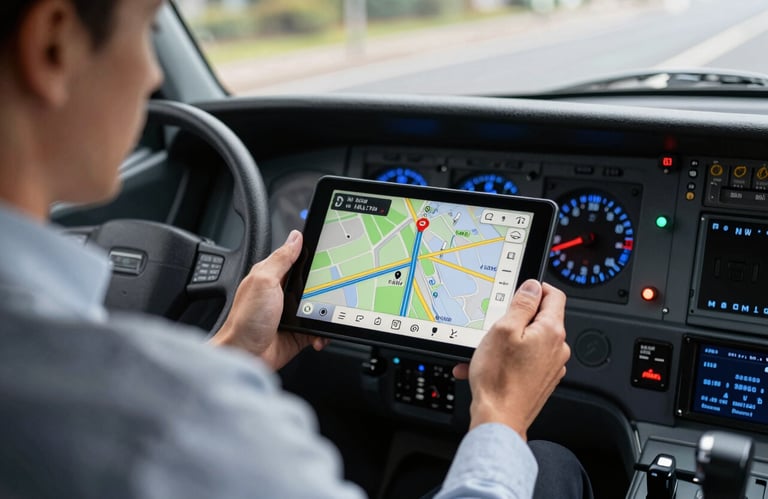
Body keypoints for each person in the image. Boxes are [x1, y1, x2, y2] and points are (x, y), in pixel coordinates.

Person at [0, 0, 593, 498]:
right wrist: (500, 414)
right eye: (149, 31)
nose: (154, 75)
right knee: (552, 464)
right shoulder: (173, 417)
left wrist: (234, 353)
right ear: (55, 45)